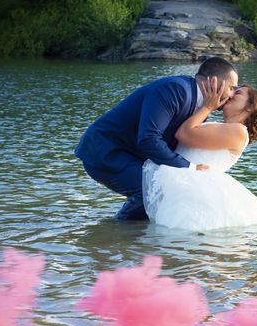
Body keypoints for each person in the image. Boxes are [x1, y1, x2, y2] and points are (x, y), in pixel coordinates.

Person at [74, 57, 239, 220]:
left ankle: (131, 239)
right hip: (105, 150)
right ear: (214, 81)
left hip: (131, 154)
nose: (232, 95)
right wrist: (189, 168)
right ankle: (117, 234)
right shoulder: (176, 90)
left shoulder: (200, 106)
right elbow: (148, 138)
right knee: (152, 192)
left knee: (161, 193)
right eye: (231, 88)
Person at [142, 79, 257, 232]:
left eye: (238, 93)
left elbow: (184, 134)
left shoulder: (239, 131)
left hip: (193, 186)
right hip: (181, 178)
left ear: (250, 107)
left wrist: (208, 106)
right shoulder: (221, 126)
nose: (230, 94)